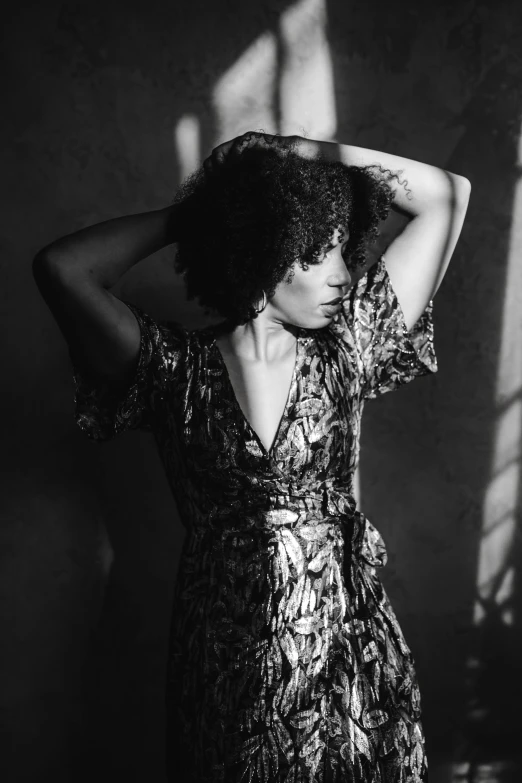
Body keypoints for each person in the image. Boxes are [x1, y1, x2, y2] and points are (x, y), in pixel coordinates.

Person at [32, 130, 471, 783]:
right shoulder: (172, 370)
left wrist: (303, 149)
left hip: (349, 662)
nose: (343, 273)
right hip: (227, 668)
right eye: (320, 252)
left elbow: (447, 196)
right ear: (265, 250)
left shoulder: (349, 346)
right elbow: (62, 268)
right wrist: (206, 212)